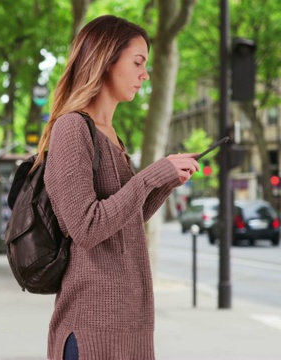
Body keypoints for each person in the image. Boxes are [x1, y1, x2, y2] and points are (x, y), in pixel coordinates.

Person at [37, 15, 200, 360]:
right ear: (106, 60)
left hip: (129, 324)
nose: (145, 74)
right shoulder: (72, 128)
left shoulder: (111, 135)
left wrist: (165, 182)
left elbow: (123, 220)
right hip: (93, 326)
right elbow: (87, 226)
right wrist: (151, 176)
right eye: (138, 62)